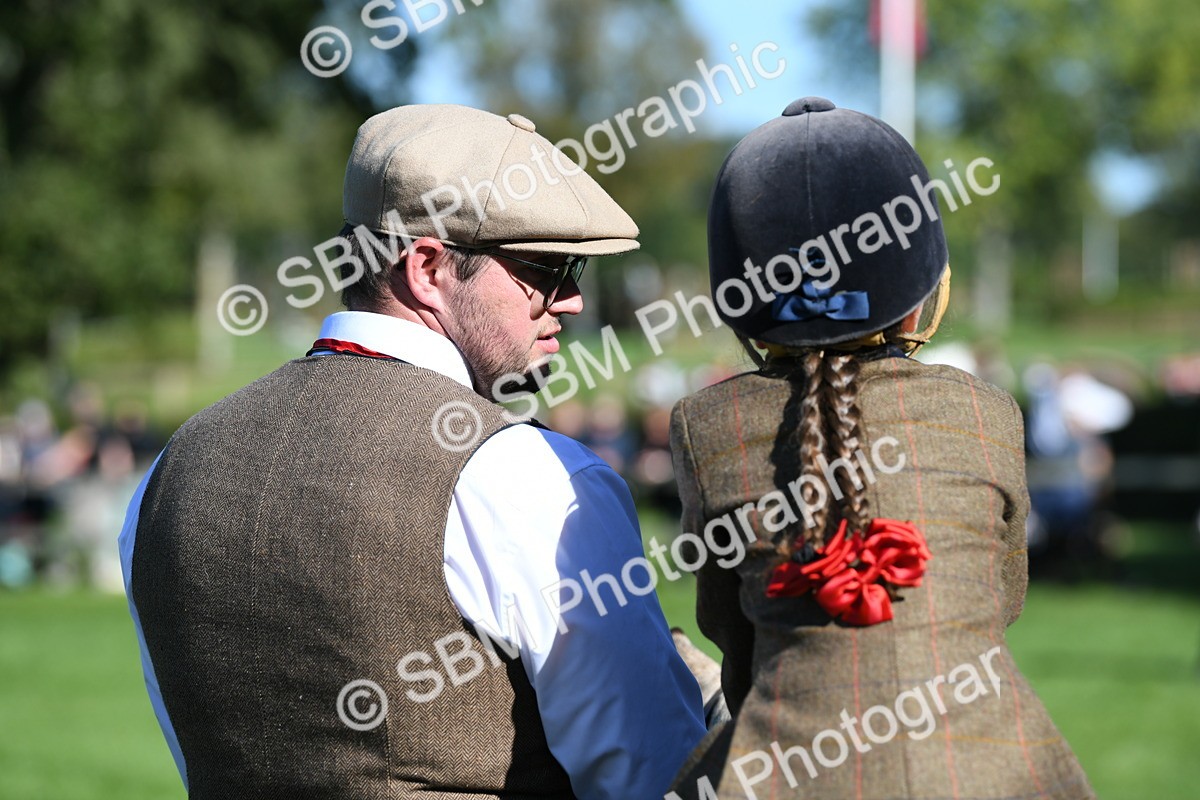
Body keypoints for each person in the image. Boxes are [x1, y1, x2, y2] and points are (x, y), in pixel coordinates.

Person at [119, 104, 706, 800]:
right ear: (427, 268)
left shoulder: (170, 470)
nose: (572, 300)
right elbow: (654, 778)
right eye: (544, 268)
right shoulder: (527, 474)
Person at [667, 98, 1094, 799]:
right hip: (997, 769)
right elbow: (999, 602)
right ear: (923, 293)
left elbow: (729, 629)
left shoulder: (704, 423)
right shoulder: (986, 411)